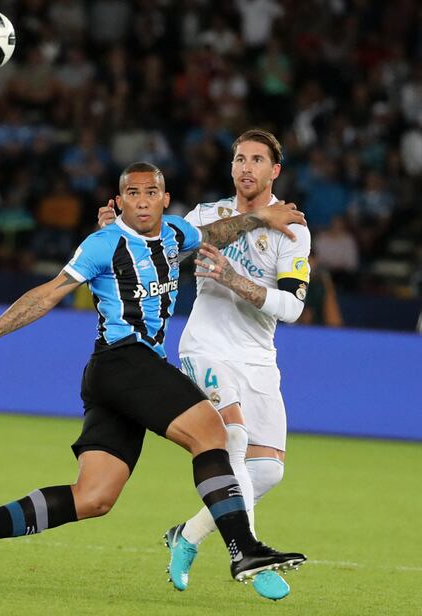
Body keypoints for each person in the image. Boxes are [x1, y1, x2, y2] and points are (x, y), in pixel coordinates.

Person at [0, 162, 307, 591]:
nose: (142, 201)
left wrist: (263, 217)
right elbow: (49, 293)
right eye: (132, 193)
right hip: (123, 361)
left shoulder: (175, 234)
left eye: (151, 192)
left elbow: (215, 234)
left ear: (165, 199)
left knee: (94, 497)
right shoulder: (104, 244)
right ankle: (243, 548)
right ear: (119, 202)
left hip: (118, 379)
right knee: (213, 433)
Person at [97, 129, 312, 601]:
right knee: (230, 437)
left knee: (268, 471)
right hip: (205, 347)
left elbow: (294, 308)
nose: (246, 167)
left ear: (274, 170)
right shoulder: (205, 216)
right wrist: (117, 231)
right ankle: (250, 556)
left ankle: (187, 536)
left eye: (257, 159)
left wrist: (233, 278)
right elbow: (152, 255)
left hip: (258, 357)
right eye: (239, 159)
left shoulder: (292, 228)